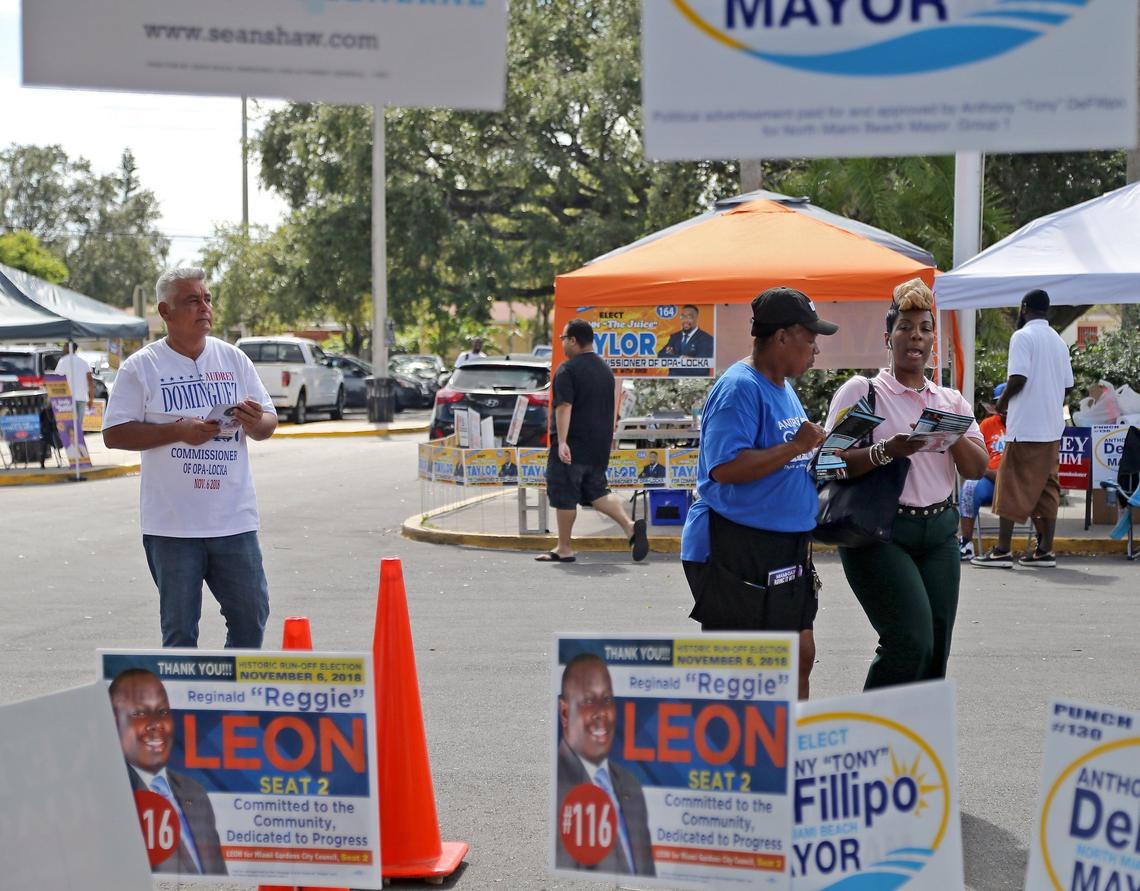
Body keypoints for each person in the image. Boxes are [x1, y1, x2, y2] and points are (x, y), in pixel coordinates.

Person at [825, 279, 987, 690]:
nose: (916, 335)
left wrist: (949, 432)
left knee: (936, 652)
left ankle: (917, 748)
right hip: (881, 533)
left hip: (939, 535)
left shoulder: (950, 401)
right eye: (906, 327)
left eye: (925, 328)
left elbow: (977, 467)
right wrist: (887, 451)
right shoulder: (864, 392)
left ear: (934, 338)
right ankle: (871, 742)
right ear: (888, 337)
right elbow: (828, 462)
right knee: (909, 642)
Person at [103, 268, 277, 648]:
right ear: (165, 312)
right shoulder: (142, 367)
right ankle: (186, 707)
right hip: (172, 527)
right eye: (192, 300)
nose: (204, 307)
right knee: (180, 634)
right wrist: (177, 431)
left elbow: (268, 423)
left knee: (251, 618)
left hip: (233, 520)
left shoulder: (234, 359)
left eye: (207, 299)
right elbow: (113, 434)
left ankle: (230, 702)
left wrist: (253, 421)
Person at [680, 286, 836, 699]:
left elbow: (787, 461)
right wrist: (796, 447)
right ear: (782, 336)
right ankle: (734, 756)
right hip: (735, 542)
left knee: (799, 655)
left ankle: (789, 750)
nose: (815, 350)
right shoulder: (739, 387)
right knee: (745, 672)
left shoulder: (782, 387)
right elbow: (725, 468)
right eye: (810, 338)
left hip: (784, 544)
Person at [973, 288, 1074, 569]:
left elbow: (1018, 377)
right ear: (1048, 310)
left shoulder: (1022, 336)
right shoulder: (1058, 341)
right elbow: (1067, 385)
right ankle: (1045, 551)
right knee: (1047, 488)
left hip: (1026, 427)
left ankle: (1002, 551)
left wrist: (1001, 405)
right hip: (1052, 429)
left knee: (1008, 484)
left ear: (1024, 308)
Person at [536, 319, 648, 564]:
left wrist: (562, 442)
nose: (563, 343)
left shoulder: (567, 370)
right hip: (598, 447)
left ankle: (564, 547)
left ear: (574, 340)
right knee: (597, 492)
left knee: (564, 494)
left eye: (564, 338)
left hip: (572, 445)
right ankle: (630, 527)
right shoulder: (605, 370)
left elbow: (564, 407)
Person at [108, 668, 227, 876]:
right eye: (139, 713)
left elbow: (218, 878)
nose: (156, 724)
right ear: (115, 722)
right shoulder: (112, 795)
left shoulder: (195, 792)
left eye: (162, 712)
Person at [555, 653, 655, 877]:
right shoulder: (560, 789)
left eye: (607, 700)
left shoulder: (631, 786)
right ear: (564, 712)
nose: (601, 713)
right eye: (588, 701)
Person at [958, 383, 1008, 560]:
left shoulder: (1026, 424)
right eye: (1002, 403)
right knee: (970, 487)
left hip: (1017, 480)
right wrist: (988, 472)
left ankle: (1042, 544)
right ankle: (966, 543)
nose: (1006, 407)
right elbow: (976, 454)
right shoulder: (987, 424)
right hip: (990, 479)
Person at [657, 304, 714, 377]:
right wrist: (681, 358)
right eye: (683, 317)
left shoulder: (706, 339)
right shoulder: (675, 337)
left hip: (694, 381)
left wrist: (673, 357)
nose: (685, 320)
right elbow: (661, 356)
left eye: (689, 317)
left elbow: (701, 368)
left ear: (696, 318)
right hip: (673, 379)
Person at [55, 340, 94, 421]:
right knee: (78, 426)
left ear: (68, 348)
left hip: (67, 399)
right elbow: (90, 381)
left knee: (68, 426)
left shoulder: (63, 361)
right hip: (82, 397)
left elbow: (57, 379)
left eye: (64, 346)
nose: (63, 348)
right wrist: (91, 398)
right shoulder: (84, 362)